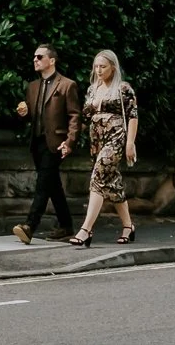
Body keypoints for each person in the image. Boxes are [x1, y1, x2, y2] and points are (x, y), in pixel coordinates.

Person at [68, 49, 138, 248]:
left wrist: (130, 143)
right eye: (96, 66)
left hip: (115, 138)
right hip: (96, 139)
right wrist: (70, 139)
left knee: (97, 178)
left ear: (113, 68)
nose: (98, 70)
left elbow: (133, 116)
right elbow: (85, 117)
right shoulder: (92, 89)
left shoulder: (123, 88)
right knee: (112, 184)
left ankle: (86, 229)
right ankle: (128, 226)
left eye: (103, 67)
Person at [12, 44, 80, 245]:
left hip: (57, 143)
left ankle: (30, 225)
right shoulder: (32, 87)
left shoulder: (67, 85)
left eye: (39, 57)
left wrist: (70, 141)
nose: (35, 60)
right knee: (52, 184)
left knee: (43, 183)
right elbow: (33, 115)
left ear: (52, 61)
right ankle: (66, 225)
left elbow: (75, 115)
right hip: (38, 142)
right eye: (34, 57)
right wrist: (24, 113)